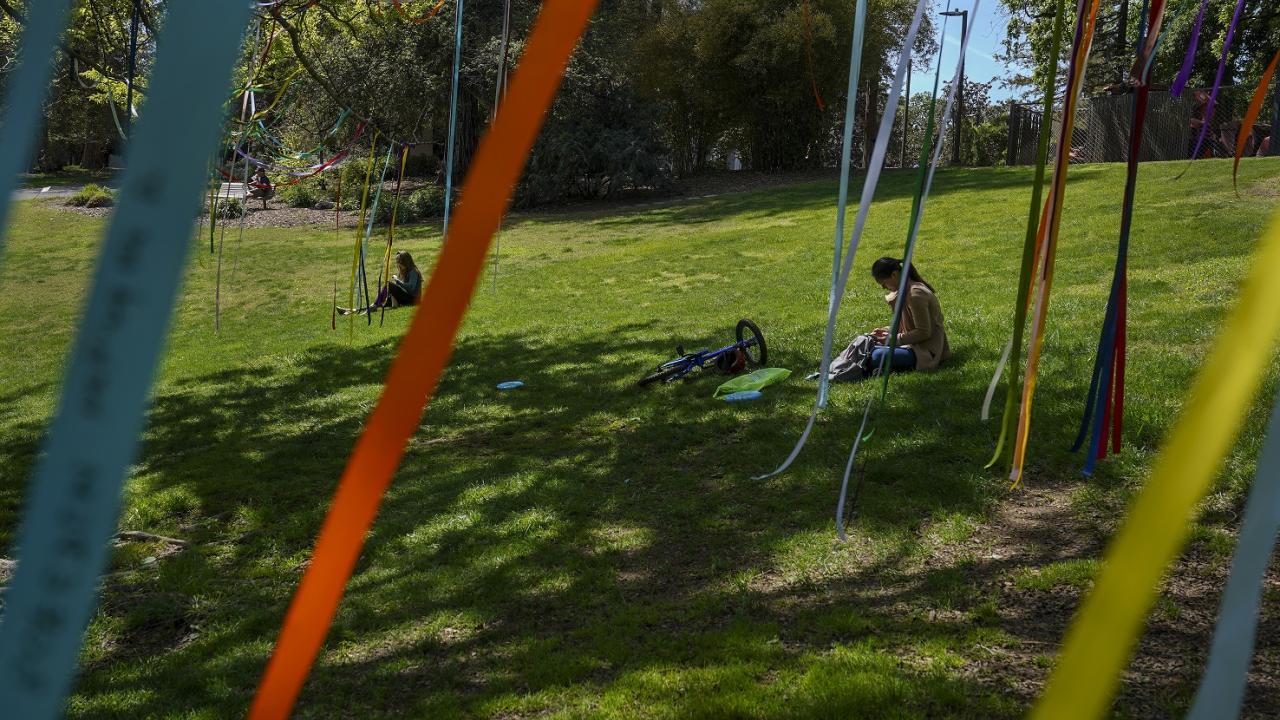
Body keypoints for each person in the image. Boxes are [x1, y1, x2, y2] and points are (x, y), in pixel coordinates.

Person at [868, 256, 950, 373]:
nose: (883, 287)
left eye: (884, 283)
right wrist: (886, 331)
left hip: (925, 350)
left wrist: (893, 339)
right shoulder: (904, 292)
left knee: (877, 355)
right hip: (911, 345)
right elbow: (907, 327)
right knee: (867, 346)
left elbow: (924, 332)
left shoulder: (915, 294)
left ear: (894, 275)